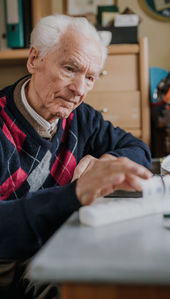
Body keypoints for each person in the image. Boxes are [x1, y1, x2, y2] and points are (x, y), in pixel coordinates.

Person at [0, 14, 152, 298]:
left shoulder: (82, 118)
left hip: (54, 246)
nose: (80, 90)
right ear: (34, 59)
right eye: (70, 69)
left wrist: (105, 163)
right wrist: (76, 193)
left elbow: (138, 149)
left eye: (90, 77)